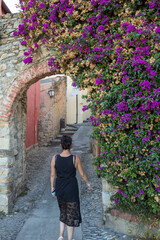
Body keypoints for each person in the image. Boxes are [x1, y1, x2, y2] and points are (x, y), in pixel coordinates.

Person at [50, 135, 91, 240]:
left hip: (60, 188)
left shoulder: (55, 158)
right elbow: (82, 174)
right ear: (71, 145)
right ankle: (70, 239)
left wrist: (52, 188)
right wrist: (88, 183)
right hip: (71, 189)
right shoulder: (75, 158)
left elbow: (52, 175)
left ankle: (60, 236)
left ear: (60, 145)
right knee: (71, 215)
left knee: (63, 211)